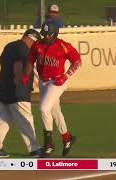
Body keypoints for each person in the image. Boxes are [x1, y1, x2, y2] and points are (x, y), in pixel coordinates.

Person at [22, 21, 81, 157]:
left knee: (44, 109)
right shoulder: (38, 45)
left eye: (49, 34)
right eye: (44, 34)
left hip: (57, 81)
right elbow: (30, 60)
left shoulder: (63, 46)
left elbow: (77, 61)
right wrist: (26, 75)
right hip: (43, 83)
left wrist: (66, 76)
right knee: (55, 111)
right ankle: (67, 138)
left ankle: (49, 144)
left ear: (55, 34)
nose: (46, 36)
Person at [0, 29, 43, 158]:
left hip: (1, 88)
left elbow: (1, 61)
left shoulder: (10, 45)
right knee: (25, 120)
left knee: (1, 120)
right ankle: (35, 149)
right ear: (31, 39)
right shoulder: (23, 48)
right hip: (17, 90)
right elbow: (18, 63)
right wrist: (18, 79)